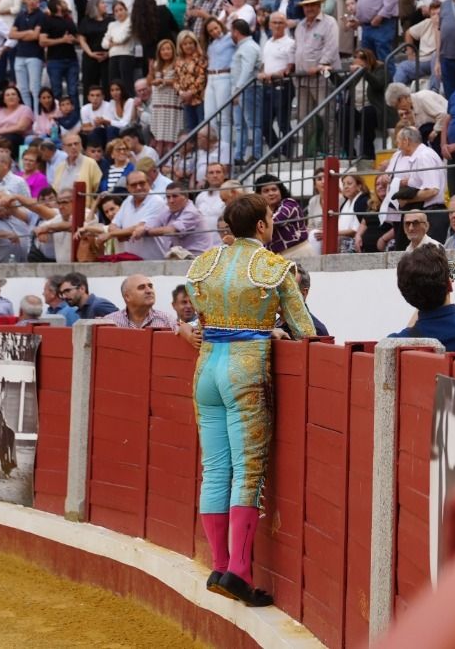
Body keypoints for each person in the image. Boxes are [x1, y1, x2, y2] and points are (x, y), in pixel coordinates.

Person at [186, 193, 316, 607]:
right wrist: (272, 329)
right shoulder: (274, 268)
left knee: (214, 470)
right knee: (247, 472)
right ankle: (239, 572)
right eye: (270, 218)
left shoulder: (204, 264)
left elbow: (199, 317)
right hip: (244, 370)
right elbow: (305, 330)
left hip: (206, 370)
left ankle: (219, 566)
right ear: (261, 225)